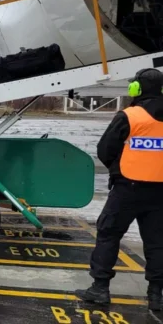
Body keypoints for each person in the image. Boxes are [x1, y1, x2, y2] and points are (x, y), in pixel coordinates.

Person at [75, 68, 163, 310]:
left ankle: (100, 288)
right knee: (157, 243)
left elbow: (105, 149)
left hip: (128, 187)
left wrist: (118, 169)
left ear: (136, 89)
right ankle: (156, 296)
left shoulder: (130, 115)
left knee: (108, 234)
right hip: (160, 192)